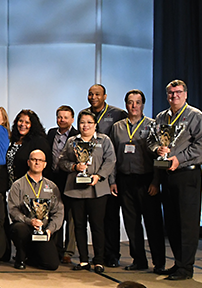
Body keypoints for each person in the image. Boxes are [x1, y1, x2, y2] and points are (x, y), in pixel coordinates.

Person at [153, 80, 202, 280]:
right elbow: (153, 139)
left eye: (178, 92)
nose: (174, 96)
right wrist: (157, 149)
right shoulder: (161, 117)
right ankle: (178, 264)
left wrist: (179, 158)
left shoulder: (195, 115)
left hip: (187, 174)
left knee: (187, 223)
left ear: (185, 94)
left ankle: (186, 268)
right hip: (167, 175)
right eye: (170, 93)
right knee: (173, 222)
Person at [111, 90, 165, 273]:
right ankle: (139, 260)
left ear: (143, 105)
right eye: (131, 102)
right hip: (125, 180)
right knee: (131, 223)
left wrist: (156, 182)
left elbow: (160, 157)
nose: (134, 106)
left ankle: (159, 262)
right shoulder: (117, 127)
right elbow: (112, 157)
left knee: (153, 223)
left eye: (138, 102)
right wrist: (113, 180)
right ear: (126, 104)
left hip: (146, 180)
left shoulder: (153, 126)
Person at [60, 110, 116, 273]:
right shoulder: (72, 141)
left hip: (97, 190)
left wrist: (99, 176)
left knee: (97, 225)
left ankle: (99, 260)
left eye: (89, 122)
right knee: (78, 225)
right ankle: (84, 260)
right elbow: (62, 161)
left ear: (95, 124)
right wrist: (74, 167)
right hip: (75, 190)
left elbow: (111, 160)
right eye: (82, 122)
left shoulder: (104, 140)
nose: (85, 125)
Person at [84, 84, 127, 267]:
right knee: (95, 219)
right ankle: (97, 255)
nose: (93, 97)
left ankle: (112, 255)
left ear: (105, 96)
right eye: (91, 94)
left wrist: (112, 178)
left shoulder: (118, 114)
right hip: (90, 174)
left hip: (111, 172)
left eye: (97, 94)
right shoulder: (84, 113)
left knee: (111, 216)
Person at [8, 150, 64, 270]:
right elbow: (13, 210)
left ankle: (32, 257)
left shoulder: (52, 187)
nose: (37, 162)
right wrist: (29, 221)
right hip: (25, 227)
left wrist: (49, 230)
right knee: (19, 228)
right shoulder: (18, 185)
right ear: (28, 162)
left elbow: (58, 212)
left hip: (43, 231)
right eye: (34, 160)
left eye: (40, 160)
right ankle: (21, 256)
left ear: (45, 164)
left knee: (52, 265)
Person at [45, 105, 79, 263]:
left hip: (70, 179)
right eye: (59, 117)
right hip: (53, 179)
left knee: (71, 216)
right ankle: (55, 247)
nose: (62, 120)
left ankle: (69, 251)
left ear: (72, 119)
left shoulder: (77, 136)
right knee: (54, 214)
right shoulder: (51, 133)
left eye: (66, 117)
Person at [6, 109, 50, 188]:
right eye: (20, 121)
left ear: (32, 125)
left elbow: (46, 165)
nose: (23, 124)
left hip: (31, 186)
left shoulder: (39, 141)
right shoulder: (14, 140)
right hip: (13, 186)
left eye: (27, 122)